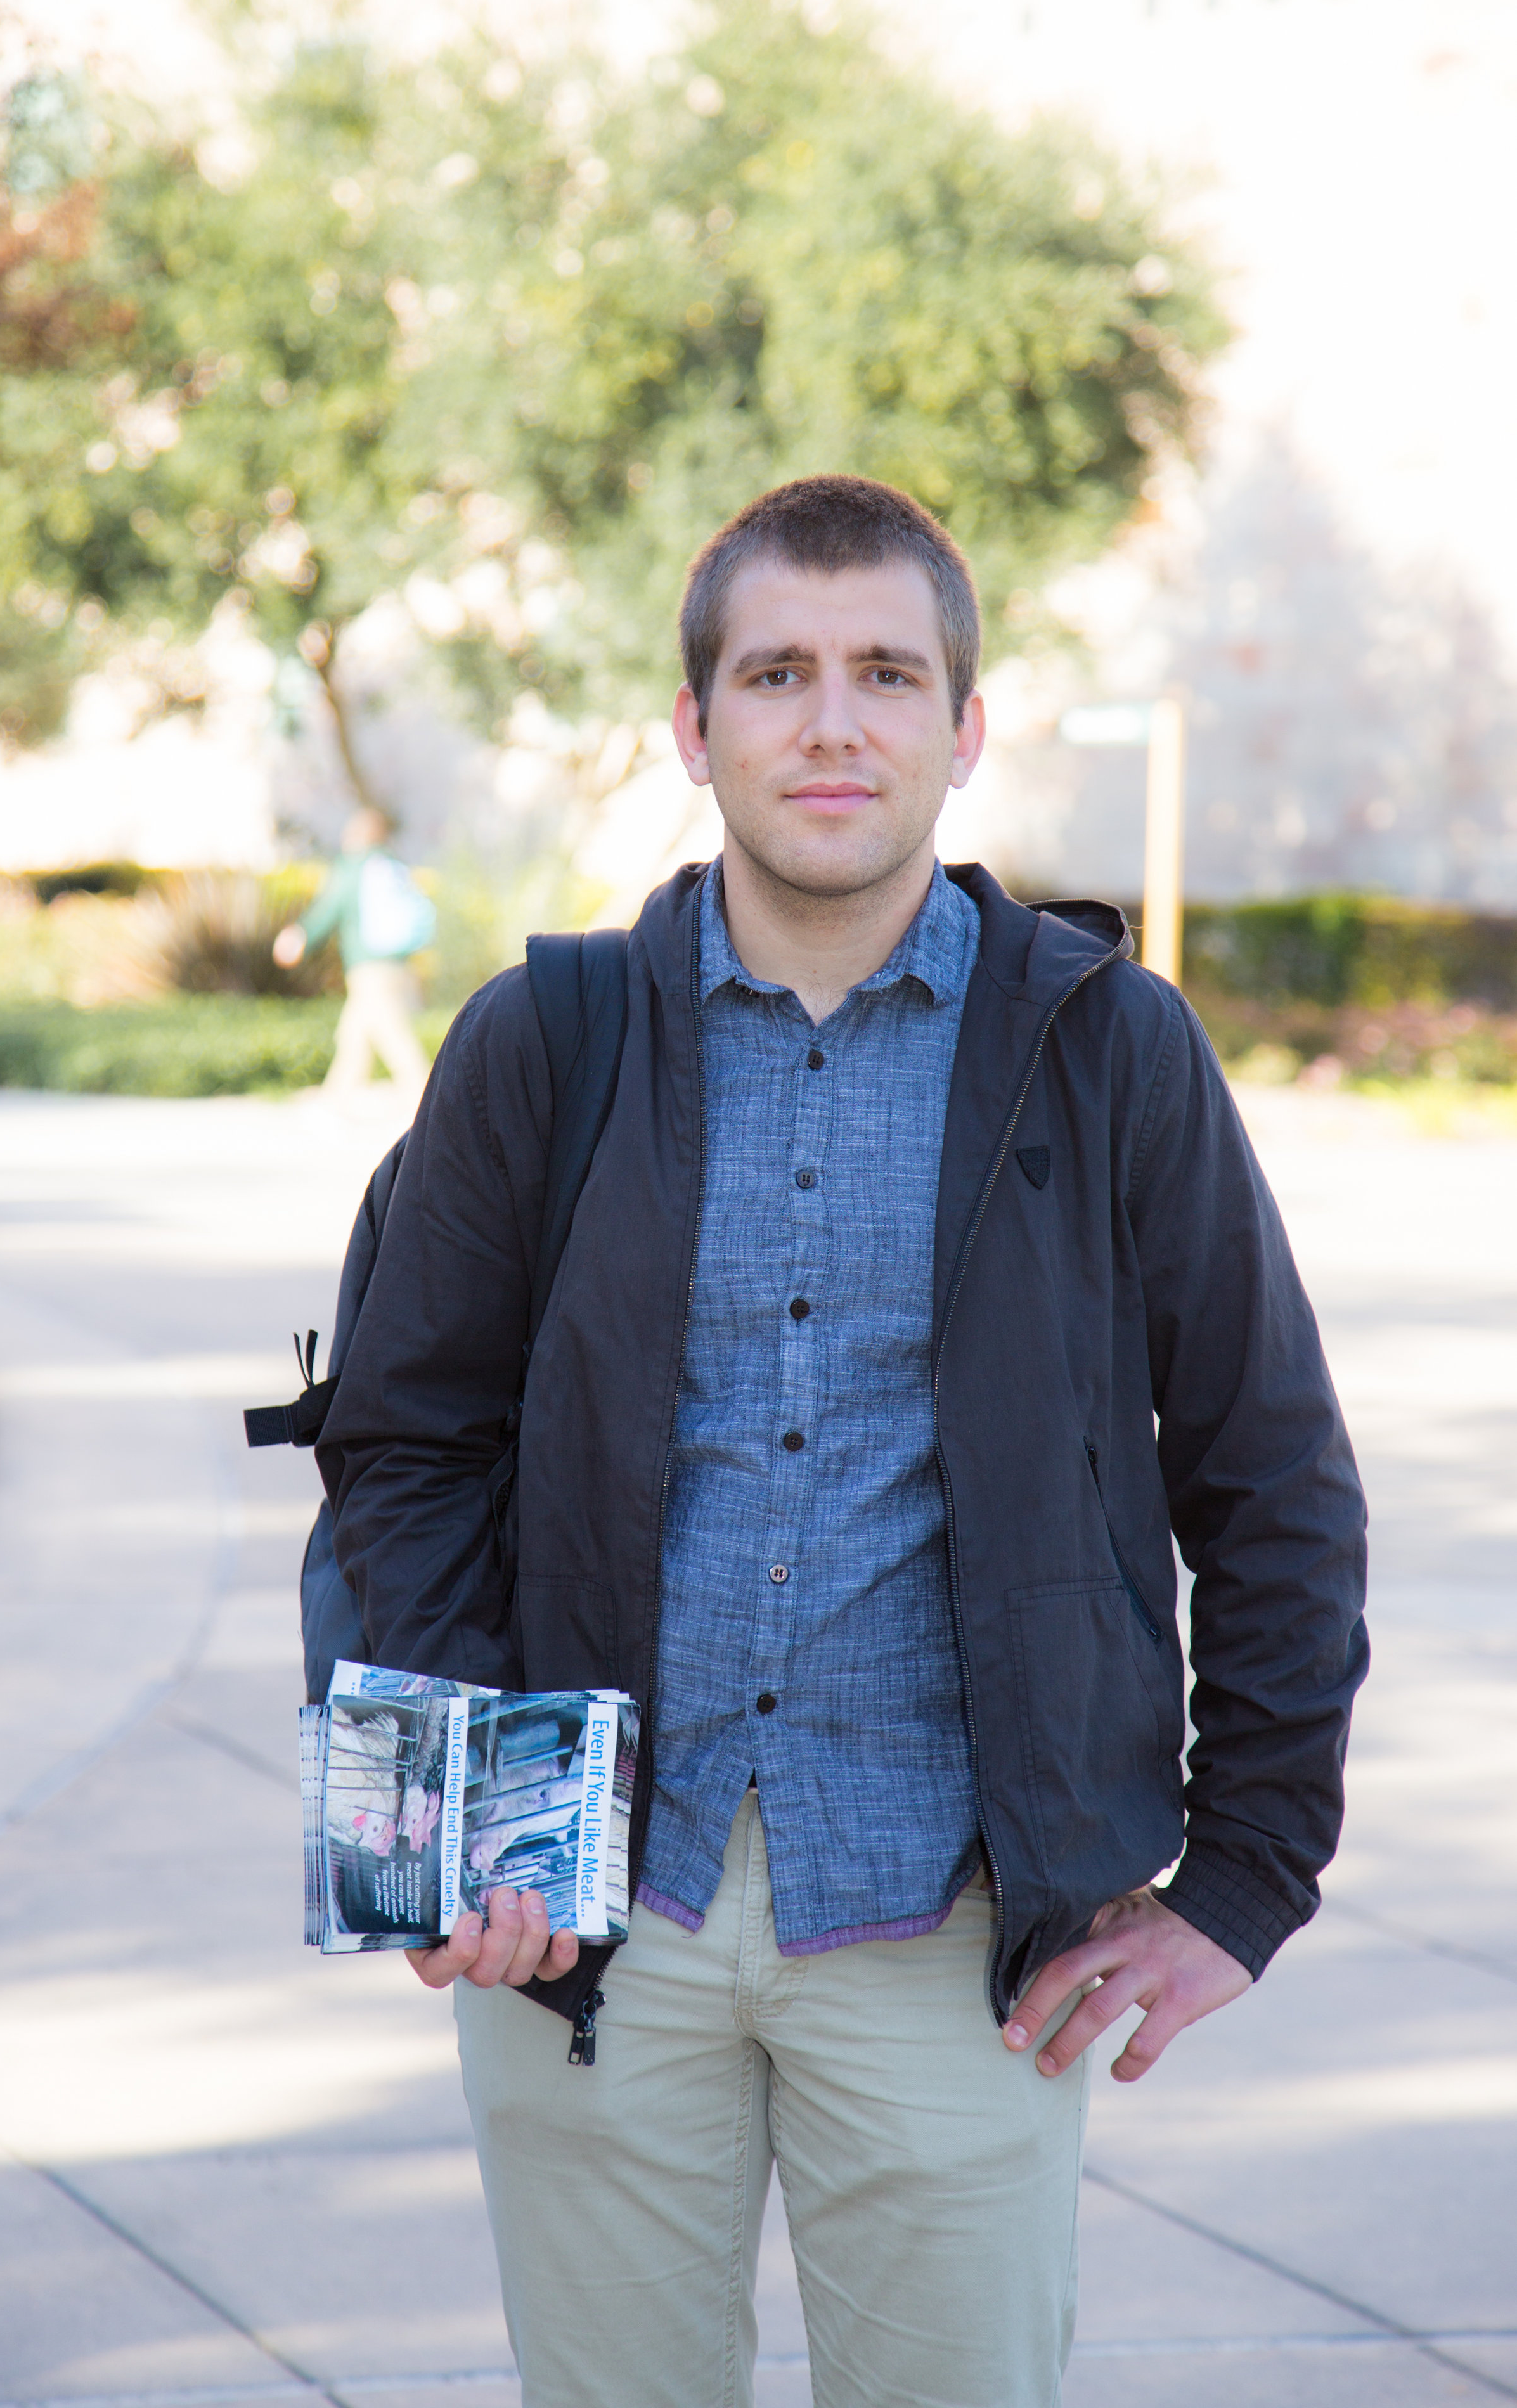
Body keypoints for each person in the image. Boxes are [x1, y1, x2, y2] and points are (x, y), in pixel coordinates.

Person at [318, 477, 1368, 2408]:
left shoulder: (1107, 1050)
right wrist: (456, 1833)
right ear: (692, 724)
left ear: (962, 730)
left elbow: (1269, 1474)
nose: (831, 722)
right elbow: (408, 1444)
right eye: (776, 672)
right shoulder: (544, 1043)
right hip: (597, 1924)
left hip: (958, 1937)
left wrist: (1244, 1878)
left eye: (887, 673)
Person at [272, 807, 434, 1094]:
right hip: (396, 963)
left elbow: (329, 909)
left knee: (393, 1036)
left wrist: (300, 936)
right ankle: (337, 1099)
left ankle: (431, 1098)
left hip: (369, 965)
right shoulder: (393, 865)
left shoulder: (355, 868)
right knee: (354, 1035)